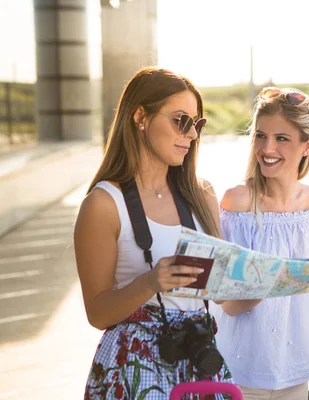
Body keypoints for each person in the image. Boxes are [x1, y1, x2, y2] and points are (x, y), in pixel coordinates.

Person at [74, 67, 232, 399]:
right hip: (135, 370)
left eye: (196, 124)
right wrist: (150, 282)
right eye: (181, 120)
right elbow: (98, 313)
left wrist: (263, 279)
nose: (191, 135)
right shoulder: (103, 204)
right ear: (140, 117)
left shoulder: (202, 195)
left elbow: (221, 293)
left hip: (201, 363)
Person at [210, 87, 309, 400]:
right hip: (239, 376)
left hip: (294, 375)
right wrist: (268, 284)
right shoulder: (236, 203)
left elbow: (305, 303)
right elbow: (224, 301)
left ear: (307, 145)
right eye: (260, 135)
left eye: (282, 138)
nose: (267, 147)